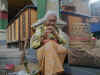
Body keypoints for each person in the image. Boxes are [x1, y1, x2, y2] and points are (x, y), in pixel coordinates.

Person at [30, 11, 69, 75]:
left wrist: (55, 34)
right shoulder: (40, 29)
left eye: (54, 21)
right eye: (50, 21)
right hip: (42, 50)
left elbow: (64, 43)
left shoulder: (57, 30)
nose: (52, 23)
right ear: (45, 20)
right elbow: (33, 45)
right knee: (50, 44)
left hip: (56, 49)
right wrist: (42, 39)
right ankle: (56, 72)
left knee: (62, 50)